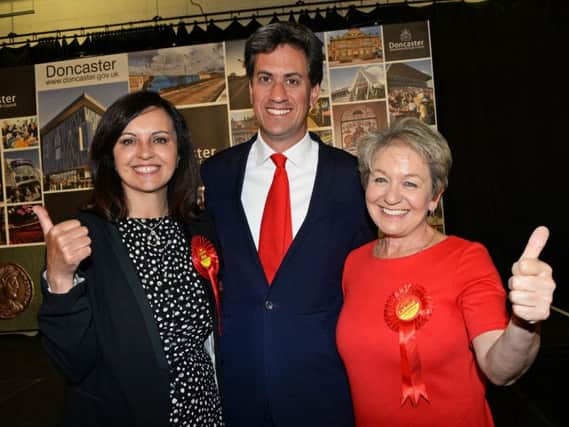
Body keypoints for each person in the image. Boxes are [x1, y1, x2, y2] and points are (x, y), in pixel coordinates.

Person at [200, 22, 376, 427]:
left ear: (313, 92)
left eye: (292, 80)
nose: (277, 95)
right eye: (265, 79)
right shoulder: (215, 176)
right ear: (250, 88)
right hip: (238, 397)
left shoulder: (354, 179)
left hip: (327, 396)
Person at [336, 117, 556, 426]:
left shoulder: (466, 258)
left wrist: (524, 322)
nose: (391, 197)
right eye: (380, 179)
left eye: (410, 183)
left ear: (434, 197)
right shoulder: (354, 264)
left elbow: (499, 369)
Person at [33, 91, 224, 427]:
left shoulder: (200, 229)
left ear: (178, 152)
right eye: (129, 141)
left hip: (205, 414)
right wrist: (61, 279)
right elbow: (72, 364)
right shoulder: (82, 238)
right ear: (110, 155)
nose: (145, 152)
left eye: (160, 139)